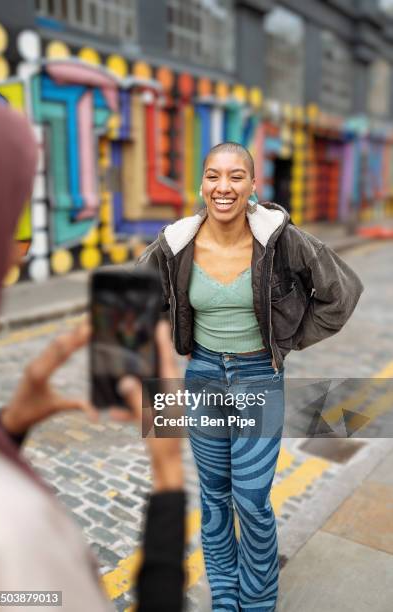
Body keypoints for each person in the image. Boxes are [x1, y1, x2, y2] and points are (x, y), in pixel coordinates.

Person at [138, 141, 364, 611]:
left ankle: (258, 601)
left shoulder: (280, 239)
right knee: (215, 497)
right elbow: (128, 305)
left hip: (258, 377)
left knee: (252, 501)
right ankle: (225, 595)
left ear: (253, 185)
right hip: (201, 375)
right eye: (214, 176)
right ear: (201, 184)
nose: (224, 187)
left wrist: (288, 340)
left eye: (236, 176)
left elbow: (341, 294)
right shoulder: (176, 242)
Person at [0, 94, 185, 612]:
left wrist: (6, 432)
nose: (12, 250)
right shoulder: (9, 537)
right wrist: (167, 480)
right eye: (5, 226)